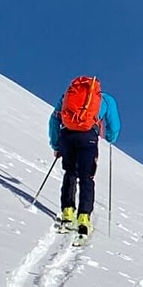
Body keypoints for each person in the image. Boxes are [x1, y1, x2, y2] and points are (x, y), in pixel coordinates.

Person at [49, 75, 121, 240]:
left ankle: (67, 212)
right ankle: (83, 217)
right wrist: (110, 138)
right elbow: (114, 125)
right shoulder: (105, 99)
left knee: (70, 173)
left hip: (67, 136)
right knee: (86, 177)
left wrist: (56, 145)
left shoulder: (68, 96)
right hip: (88, 137)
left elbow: (54, 120)